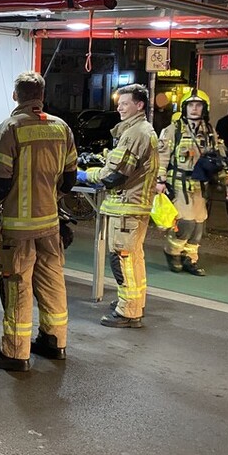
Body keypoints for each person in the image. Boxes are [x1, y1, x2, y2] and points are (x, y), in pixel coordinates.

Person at [0, 71, 78, 372]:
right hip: (50, 225)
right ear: (42, 97)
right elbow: (70, 178)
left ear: (15, 96)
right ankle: (54, 341)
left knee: (17, 286)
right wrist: (50, 198)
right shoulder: (61, 128)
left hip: (18, 228)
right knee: (52, 281)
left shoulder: (11, 128)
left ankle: (15, 353)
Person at [80, 83, 159, 328]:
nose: (120, 107)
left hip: (126, 207)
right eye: (119, 103)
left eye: (125, 103)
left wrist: (86, 175)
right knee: (133, 258)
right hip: (134, 207)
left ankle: (128, 312)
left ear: (139, 105)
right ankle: (134, 303)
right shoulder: (141, 130)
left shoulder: (136, 133)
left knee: (121, 259)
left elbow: (114, 175)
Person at [157, 90, 228, 276]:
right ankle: (172, 252)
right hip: (179, 183)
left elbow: (219, 158)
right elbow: (162, 157)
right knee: (185, 223)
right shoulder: (173, 130)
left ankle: (190, 259)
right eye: (191, 105)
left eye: (198, 105)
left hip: (201, 185)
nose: (194, 108)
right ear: (184, 108)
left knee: (199, 224)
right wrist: (160, 181)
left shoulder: (210, 131)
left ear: (204, 108)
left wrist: (227, 181)